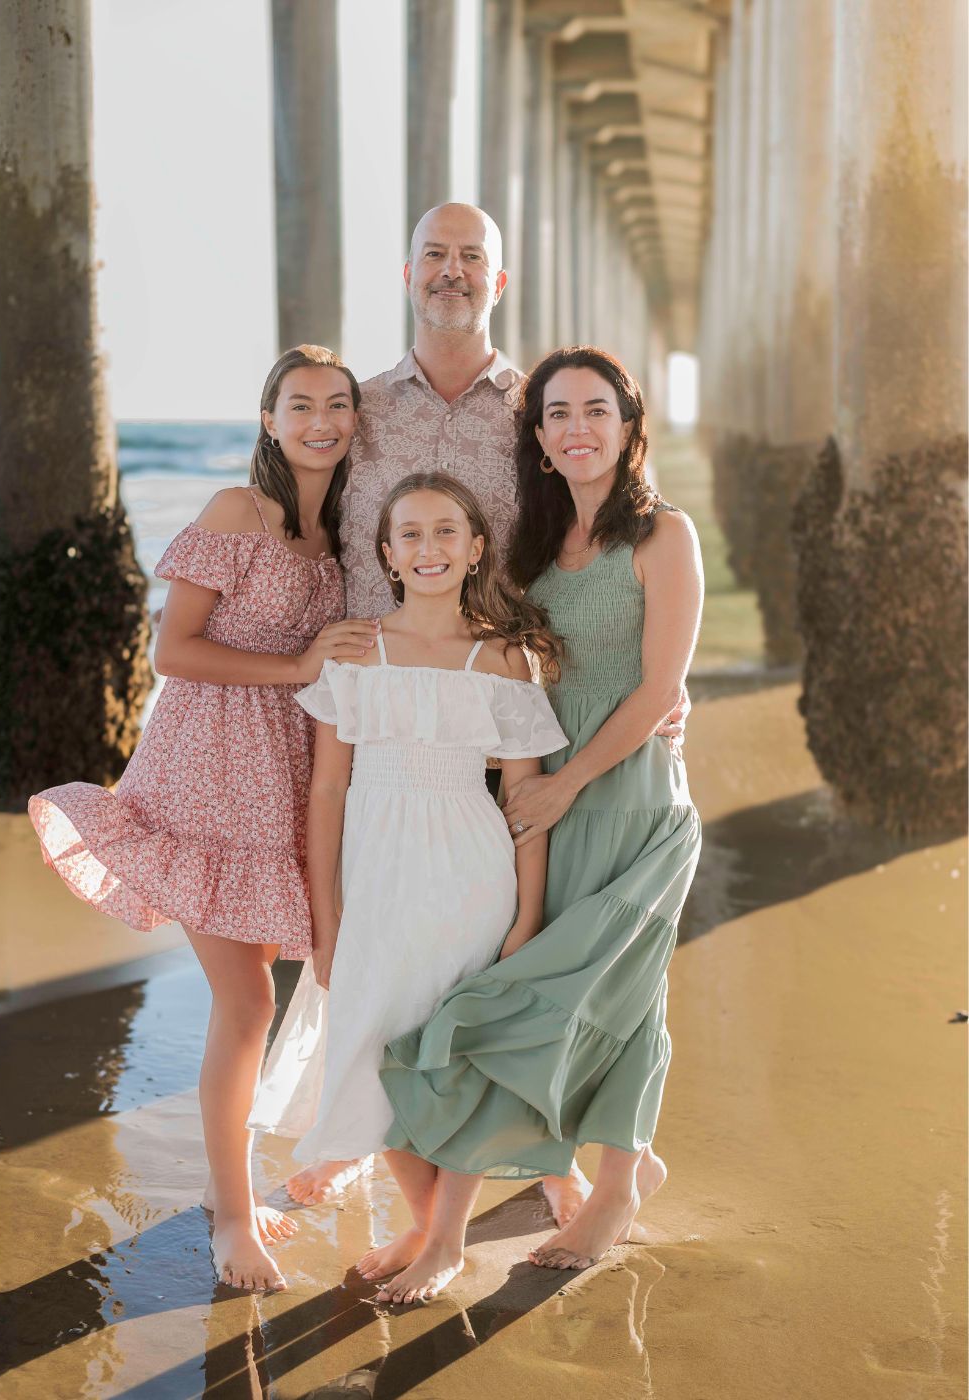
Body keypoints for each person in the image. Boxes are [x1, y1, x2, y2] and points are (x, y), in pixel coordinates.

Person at [285, 201, 688, 1223]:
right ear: (407, 271)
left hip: (509, 709)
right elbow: (300, 516)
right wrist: (283, 647)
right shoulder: (361, 408)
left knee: (510, 945)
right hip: (380, 709)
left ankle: (537, 1162)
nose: (452, 272)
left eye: (472, 258)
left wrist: (658, 688)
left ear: (498, 281)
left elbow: (613, 549)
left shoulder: (540, 407)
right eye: (434, 254)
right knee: (403, 944)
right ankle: (384, 1133)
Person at [29, 346, 381, 1293]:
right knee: (250, 1002)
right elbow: (174, 651)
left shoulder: (349, 535)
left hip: (291, 778)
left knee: (286, 987)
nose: (320, 420)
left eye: (338, 404)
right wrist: (299, 665)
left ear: (356, 419)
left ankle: (259, 1184)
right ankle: (232, 1218)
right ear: (268, 419)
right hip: (203, 769)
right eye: (299, 404)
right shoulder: (238, 511)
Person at [373, 346, 704, 1304]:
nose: (576, 428)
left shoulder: (664, 536)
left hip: (631, 802)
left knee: (625, 1002)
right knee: (519, 997)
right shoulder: (527, 550)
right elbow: (492, 671)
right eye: (556, 414)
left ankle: (611, 1193)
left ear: (629, 425)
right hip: (533, 809)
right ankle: (482, 1219)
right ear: (541, 439)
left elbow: (659, 689)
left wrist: (572, 784)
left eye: (595, 410)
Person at [249, 473, 567, 1284]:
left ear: (475, 548)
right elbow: (326, 791)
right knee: (371, 1049)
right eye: (412, 535)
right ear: (386, 554)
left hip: (471, 872)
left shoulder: (503, 658)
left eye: (446, 532)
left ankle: (443, 1241)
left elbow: (525, 802)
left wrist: (527, 917)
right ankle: (428, 1230)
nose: (430, 549)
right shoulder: (356, 651)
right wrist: (326, 916)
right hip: (376, 872)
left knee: (456, 1057)